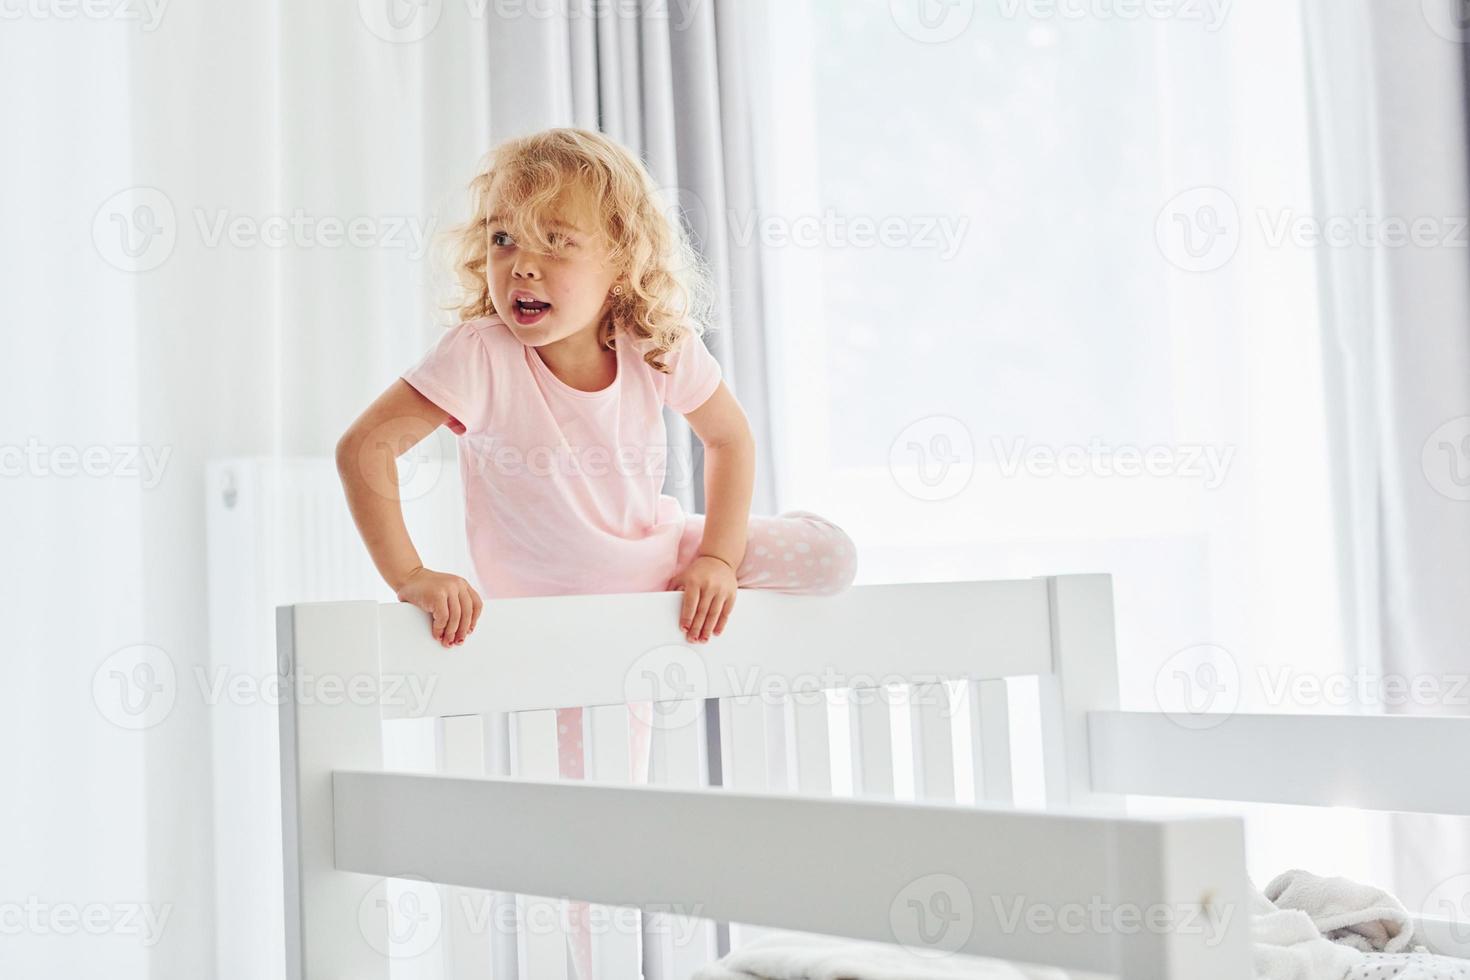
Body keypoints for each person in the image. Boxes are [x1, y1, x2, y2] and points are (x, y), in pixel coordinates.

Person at [334, 126, 857, 977]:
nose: (522, 267)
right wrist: (413, 575)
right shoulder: (482, 356)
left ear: (620, 259)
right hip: (571, 623)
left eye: (556, 243)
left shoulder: (652, 344)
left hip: (661, 560)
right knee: (595, 850)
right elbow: (364, 449)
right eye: (504, 241)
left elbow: (729, 439)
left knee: (831, 563)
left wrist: (718, 558)